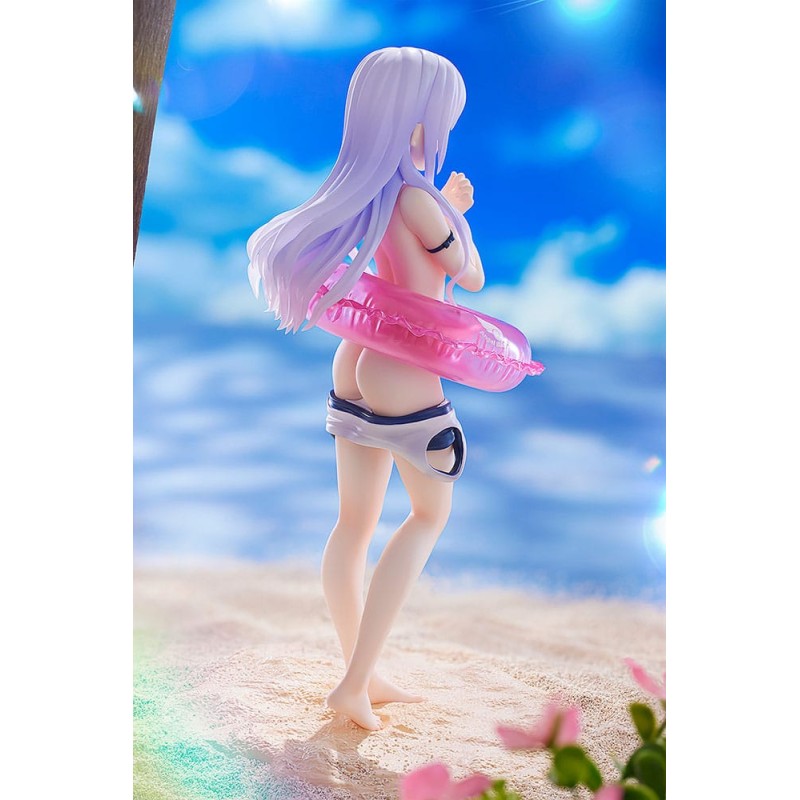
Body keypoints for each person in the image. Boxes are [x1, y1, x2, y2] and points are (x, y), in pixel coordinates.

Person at [247, 47, 484, 730]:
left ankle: (364, 674)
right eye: (443, 116)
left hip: (356, 358)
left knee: (354, 524)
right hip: (402, 363)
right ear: (419, 118)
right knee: (429, 516)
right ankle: (354, 683)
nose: (445, 129)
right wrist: (457, 212)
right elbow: (468, 277)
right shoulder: (419, 199)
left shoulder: (377, 192)